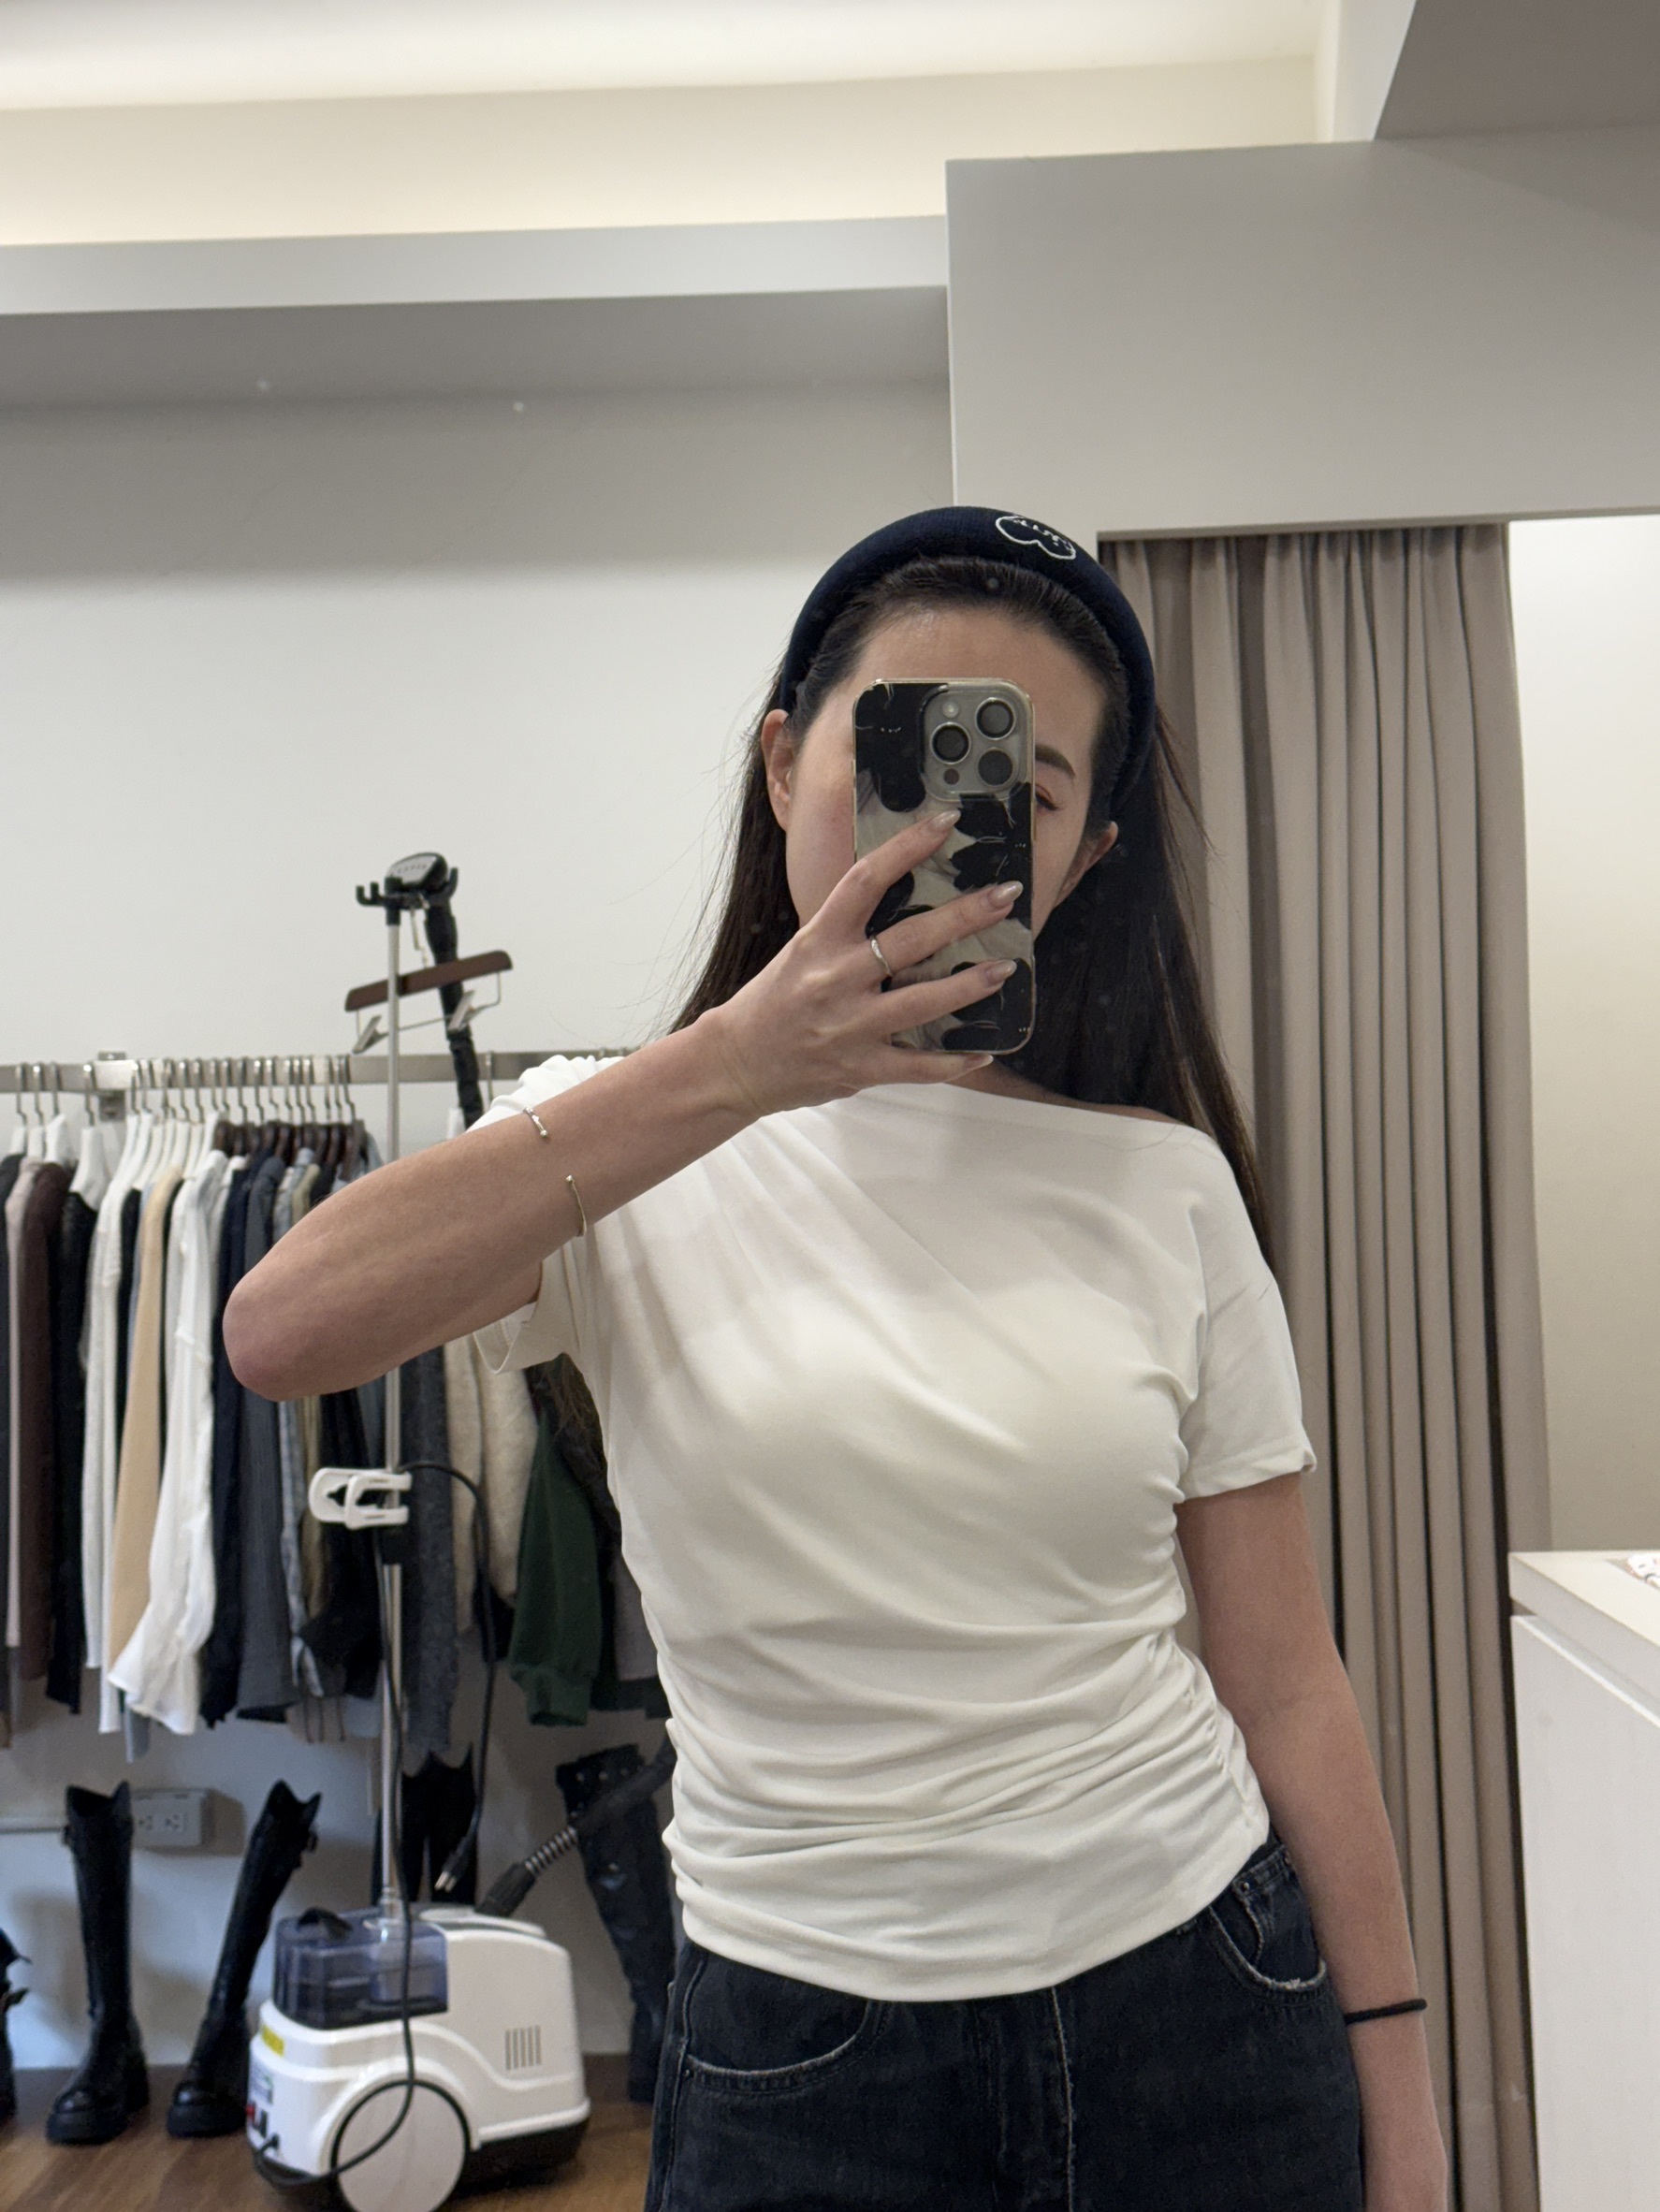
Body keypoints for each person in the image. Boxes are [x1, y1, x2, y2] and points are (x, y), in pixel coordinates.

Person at [227, 507, 1448, 2212]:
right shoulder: (614, 1149)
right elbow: (281, 1331)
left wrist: (1397, 2080)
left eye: (1017, 795)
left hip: (1198, 1995)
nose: (942, 834)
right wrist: (734, 1066)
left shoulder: (1160, 1187)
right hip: (801, 2050)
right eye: (897, 765)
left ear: (1083, 855)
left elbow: (1285, 1675)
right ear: (783, 762)